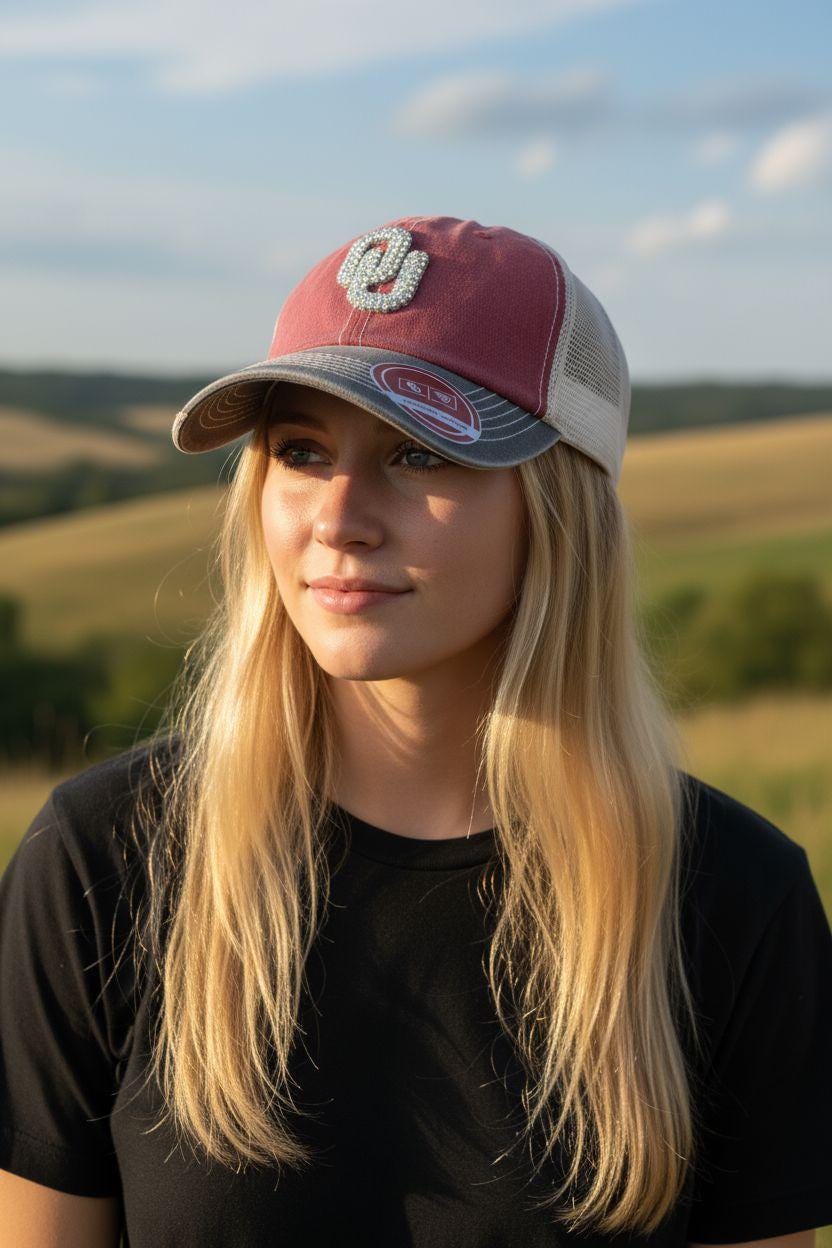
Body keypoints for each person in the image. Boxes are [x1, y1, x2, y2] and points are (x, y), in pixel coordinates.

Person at [1, 215, 830, 1248]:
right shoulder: (105, 859)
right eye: (300, 451)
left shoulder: (728, 899)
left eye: (419, 454)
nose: (338, 515)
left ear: (560, 505)